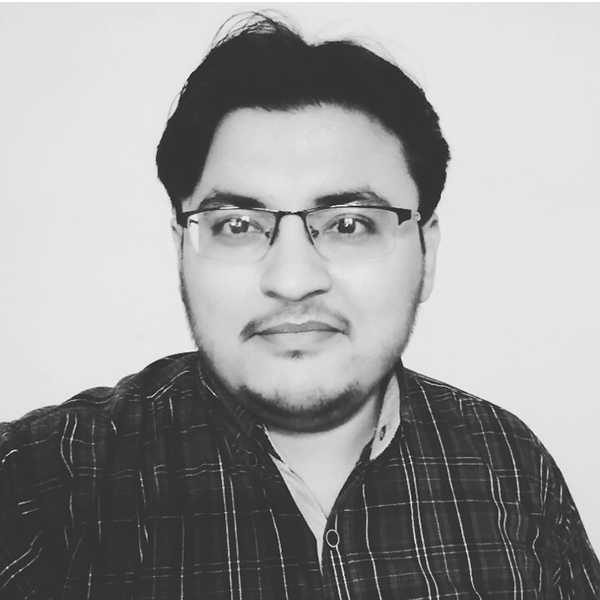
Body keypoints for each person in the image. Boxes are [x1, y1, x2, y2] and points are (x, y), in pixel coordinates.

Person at [1, 12, 598, 599]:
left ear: (427, 252)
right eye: (237, 225)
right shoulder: (41, 483)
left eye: (349, 224)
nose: (291, 280)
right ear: (181, 247)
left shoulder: (510, 465)